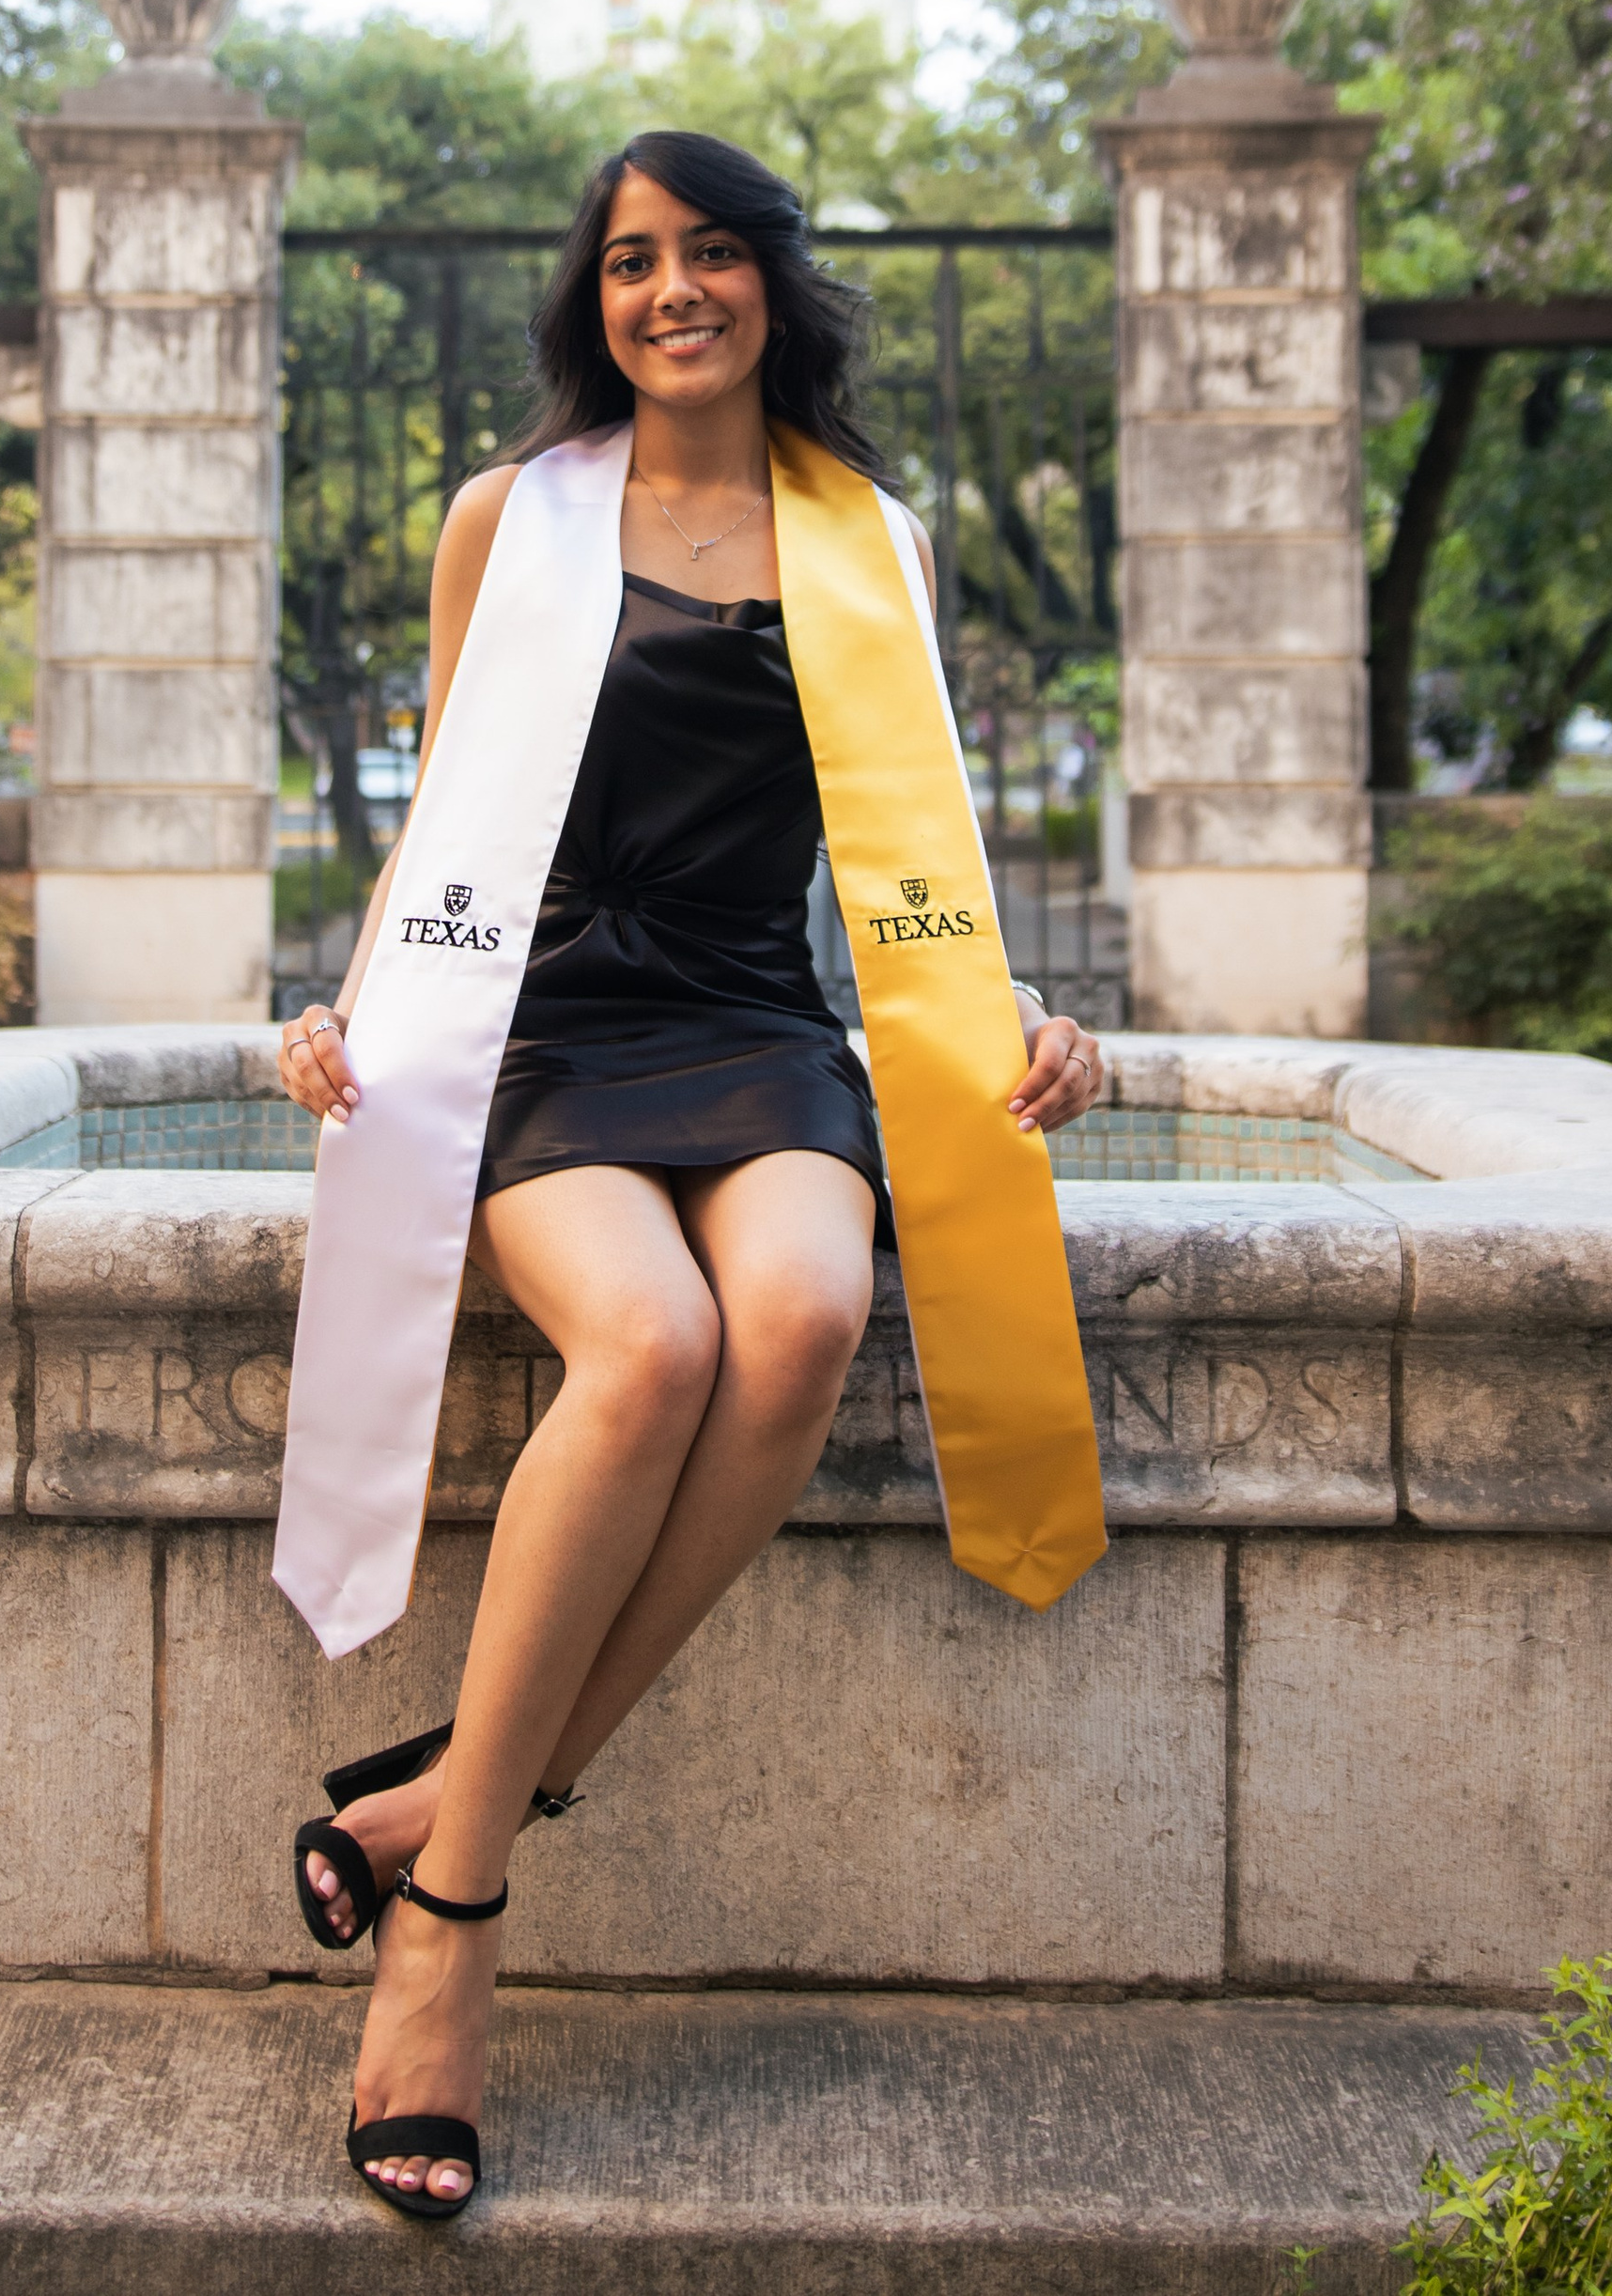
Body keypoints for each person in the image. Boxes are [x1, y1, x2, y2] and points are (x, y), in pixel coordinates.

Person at [276, 131, 1106, 2215]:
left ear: (766, 282)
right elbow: (439, 803)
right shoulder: (513, 517)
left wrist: (1022, 1017)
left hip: (753, 1021)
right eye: (633, 258)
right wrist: (350, 1002)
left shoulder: (868, 536)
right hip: (536, 1023)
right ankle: (450, 1929)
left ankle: (440, 1799)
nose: (671, 290)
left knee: (808, 1309)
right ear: (596, 296)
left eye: (710, 252)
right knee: (644, 1342)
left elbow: (918, 847)